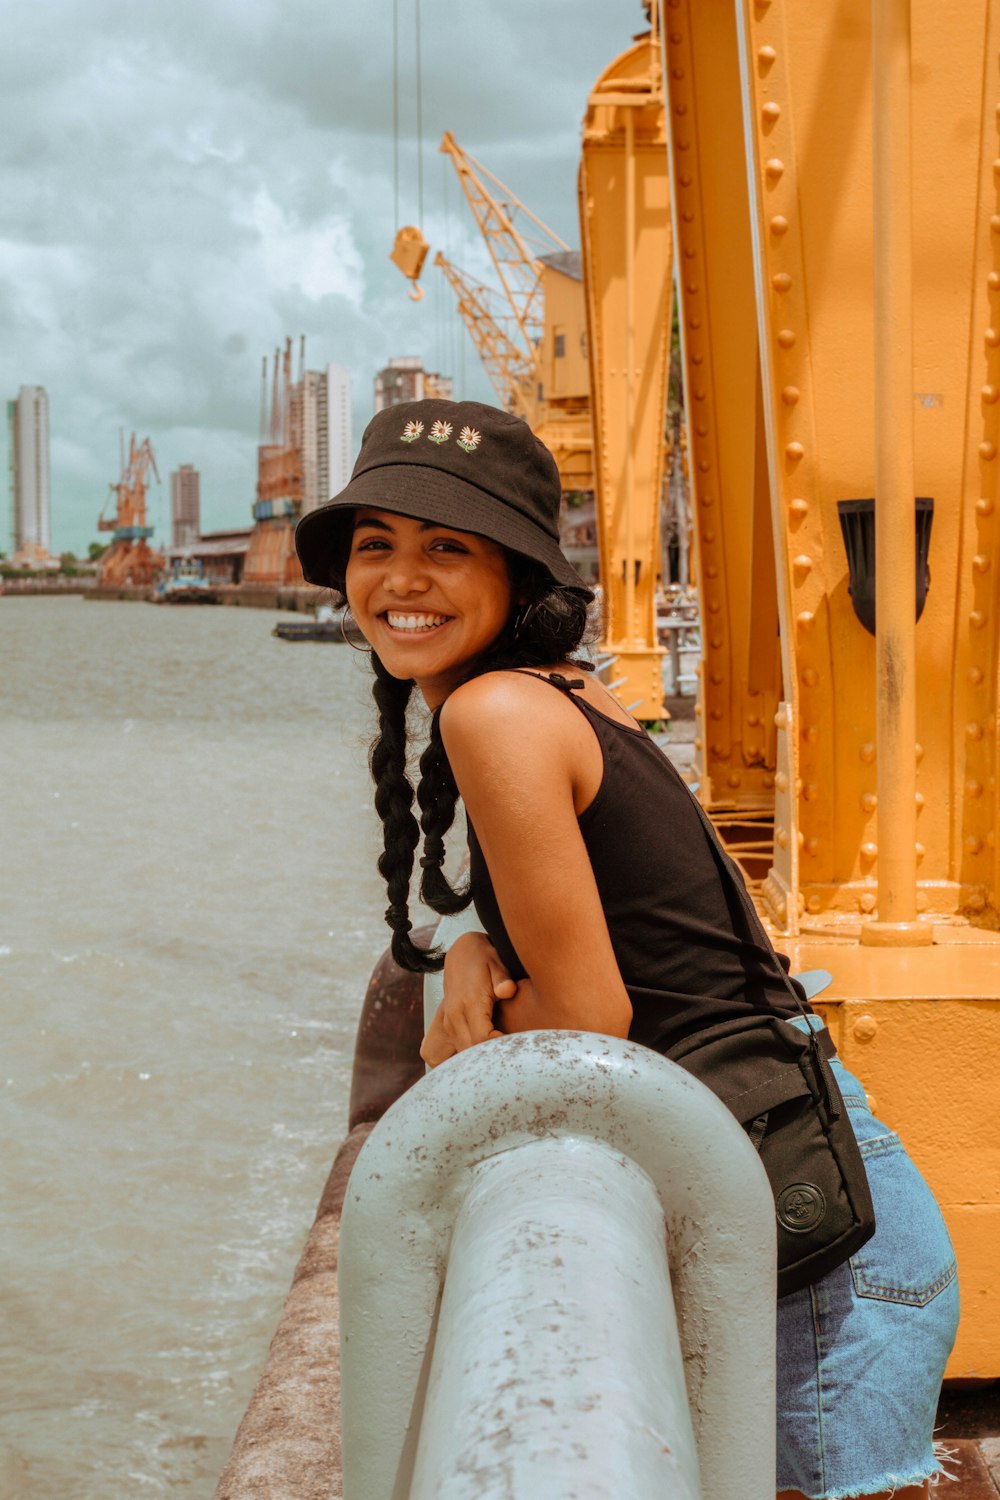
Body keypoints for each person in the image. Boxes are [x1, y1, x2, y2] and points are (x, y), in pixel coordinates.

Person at [295, 398, 959, 1500]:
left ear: (516, 574)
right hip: (816, 1189)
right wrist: (467, 957)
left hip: (813, 1250)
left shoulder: (492, 715)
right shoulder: (566, 694)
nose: (401, 579)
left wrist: (471, 1019)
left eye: (445, 548)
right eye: (377, 546)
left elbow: (591, 1013)